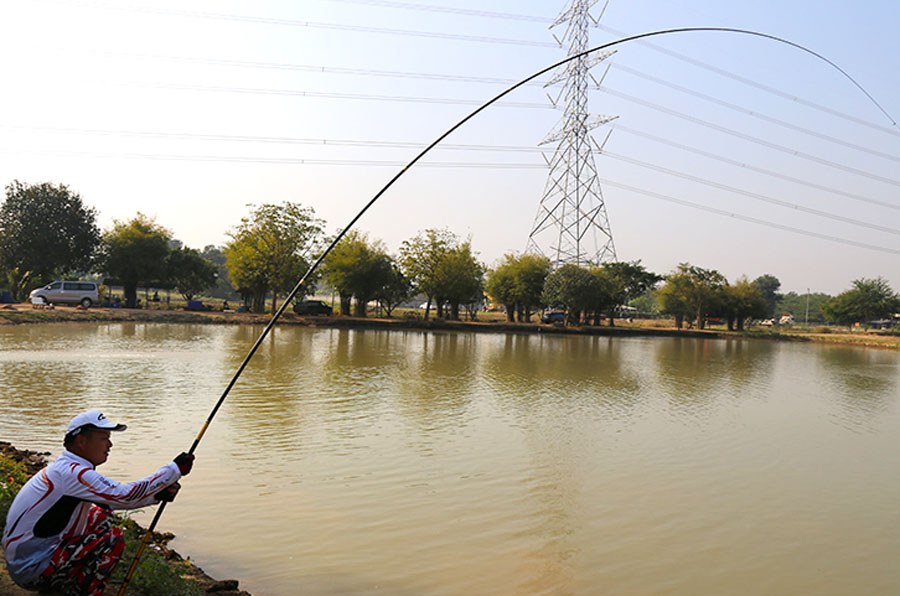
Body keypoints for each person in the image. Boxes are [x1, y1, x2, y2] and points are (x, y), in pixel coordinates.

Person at [2, 410, 195, 596]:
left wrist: (157, 496)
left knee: (101, 516)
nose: (110, 444)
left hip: (27, 559)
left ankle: (65, 583)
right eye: (104, 438)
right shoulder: (72, 473)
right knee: (112, 539)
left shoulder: (65, 468)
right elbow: (125, 496)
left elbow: (114, 501)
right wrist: (173, 469)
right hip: (30, 569)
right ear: (82, 441)